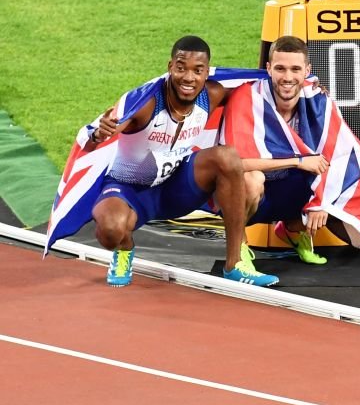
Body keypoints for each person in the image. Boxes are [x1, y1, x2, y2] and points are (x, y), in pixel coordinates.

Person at [88, 35, 279, 287]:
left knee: (227, 156)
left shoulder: (211, 94)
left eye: (197, 71)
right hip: (130, 190)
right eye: (181, 68)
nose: (189, 77)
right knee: (111, 230)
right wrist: (99, 133)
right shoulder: (146, 102)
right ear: (170, 68)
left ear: (206, 73)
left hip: (178, 187)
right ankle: (124, 249)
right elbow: (113, 124)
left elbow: (256, 89)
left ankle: (234, 263)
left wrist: (307, 87)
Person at [222, 35, 360, 265]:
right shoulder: (246, 98)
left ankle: (293, 228)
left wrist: (321, 201)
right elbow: (235, 164)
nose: (287, 77)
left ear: (307, 70)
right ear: (268, 68)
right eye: (280, 68)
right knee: (251, 179)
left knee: (336, 183)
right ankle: (239, 250)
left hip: (289, 189)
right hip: (254, 196)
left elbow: (340, 154)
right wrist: (297, 161)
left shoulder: (317, 99)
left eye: (295, 69)